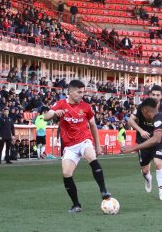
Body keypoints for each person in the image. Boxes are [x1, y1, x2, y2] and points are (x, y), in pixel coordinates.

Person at [44, 80, 112, 213]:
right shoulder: (61, 104)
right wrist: (54, 114)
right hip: (69, 145)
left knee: (91, 156)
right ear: (70, 91)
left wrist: (97, 145)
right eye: (79, 92)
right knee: (66, 173)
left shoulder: (86, 107)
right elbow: (46, 116)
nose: (82, 95)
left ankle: (103, 190)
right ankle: (76, 205)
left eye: (83, 92)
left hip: (84, 140)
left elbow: (93, 125)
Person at [128, 85, 162, 201]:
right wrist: (141, 131)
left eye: (158, 95)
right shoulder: (142, 106)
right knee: (145, 170)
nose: (155, 97)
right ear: (149, 95)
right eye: (153, 95)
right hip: (143, 142)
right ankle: (148, 178)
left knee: (158, 163)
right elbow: (130, 120)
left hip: (156, 141)